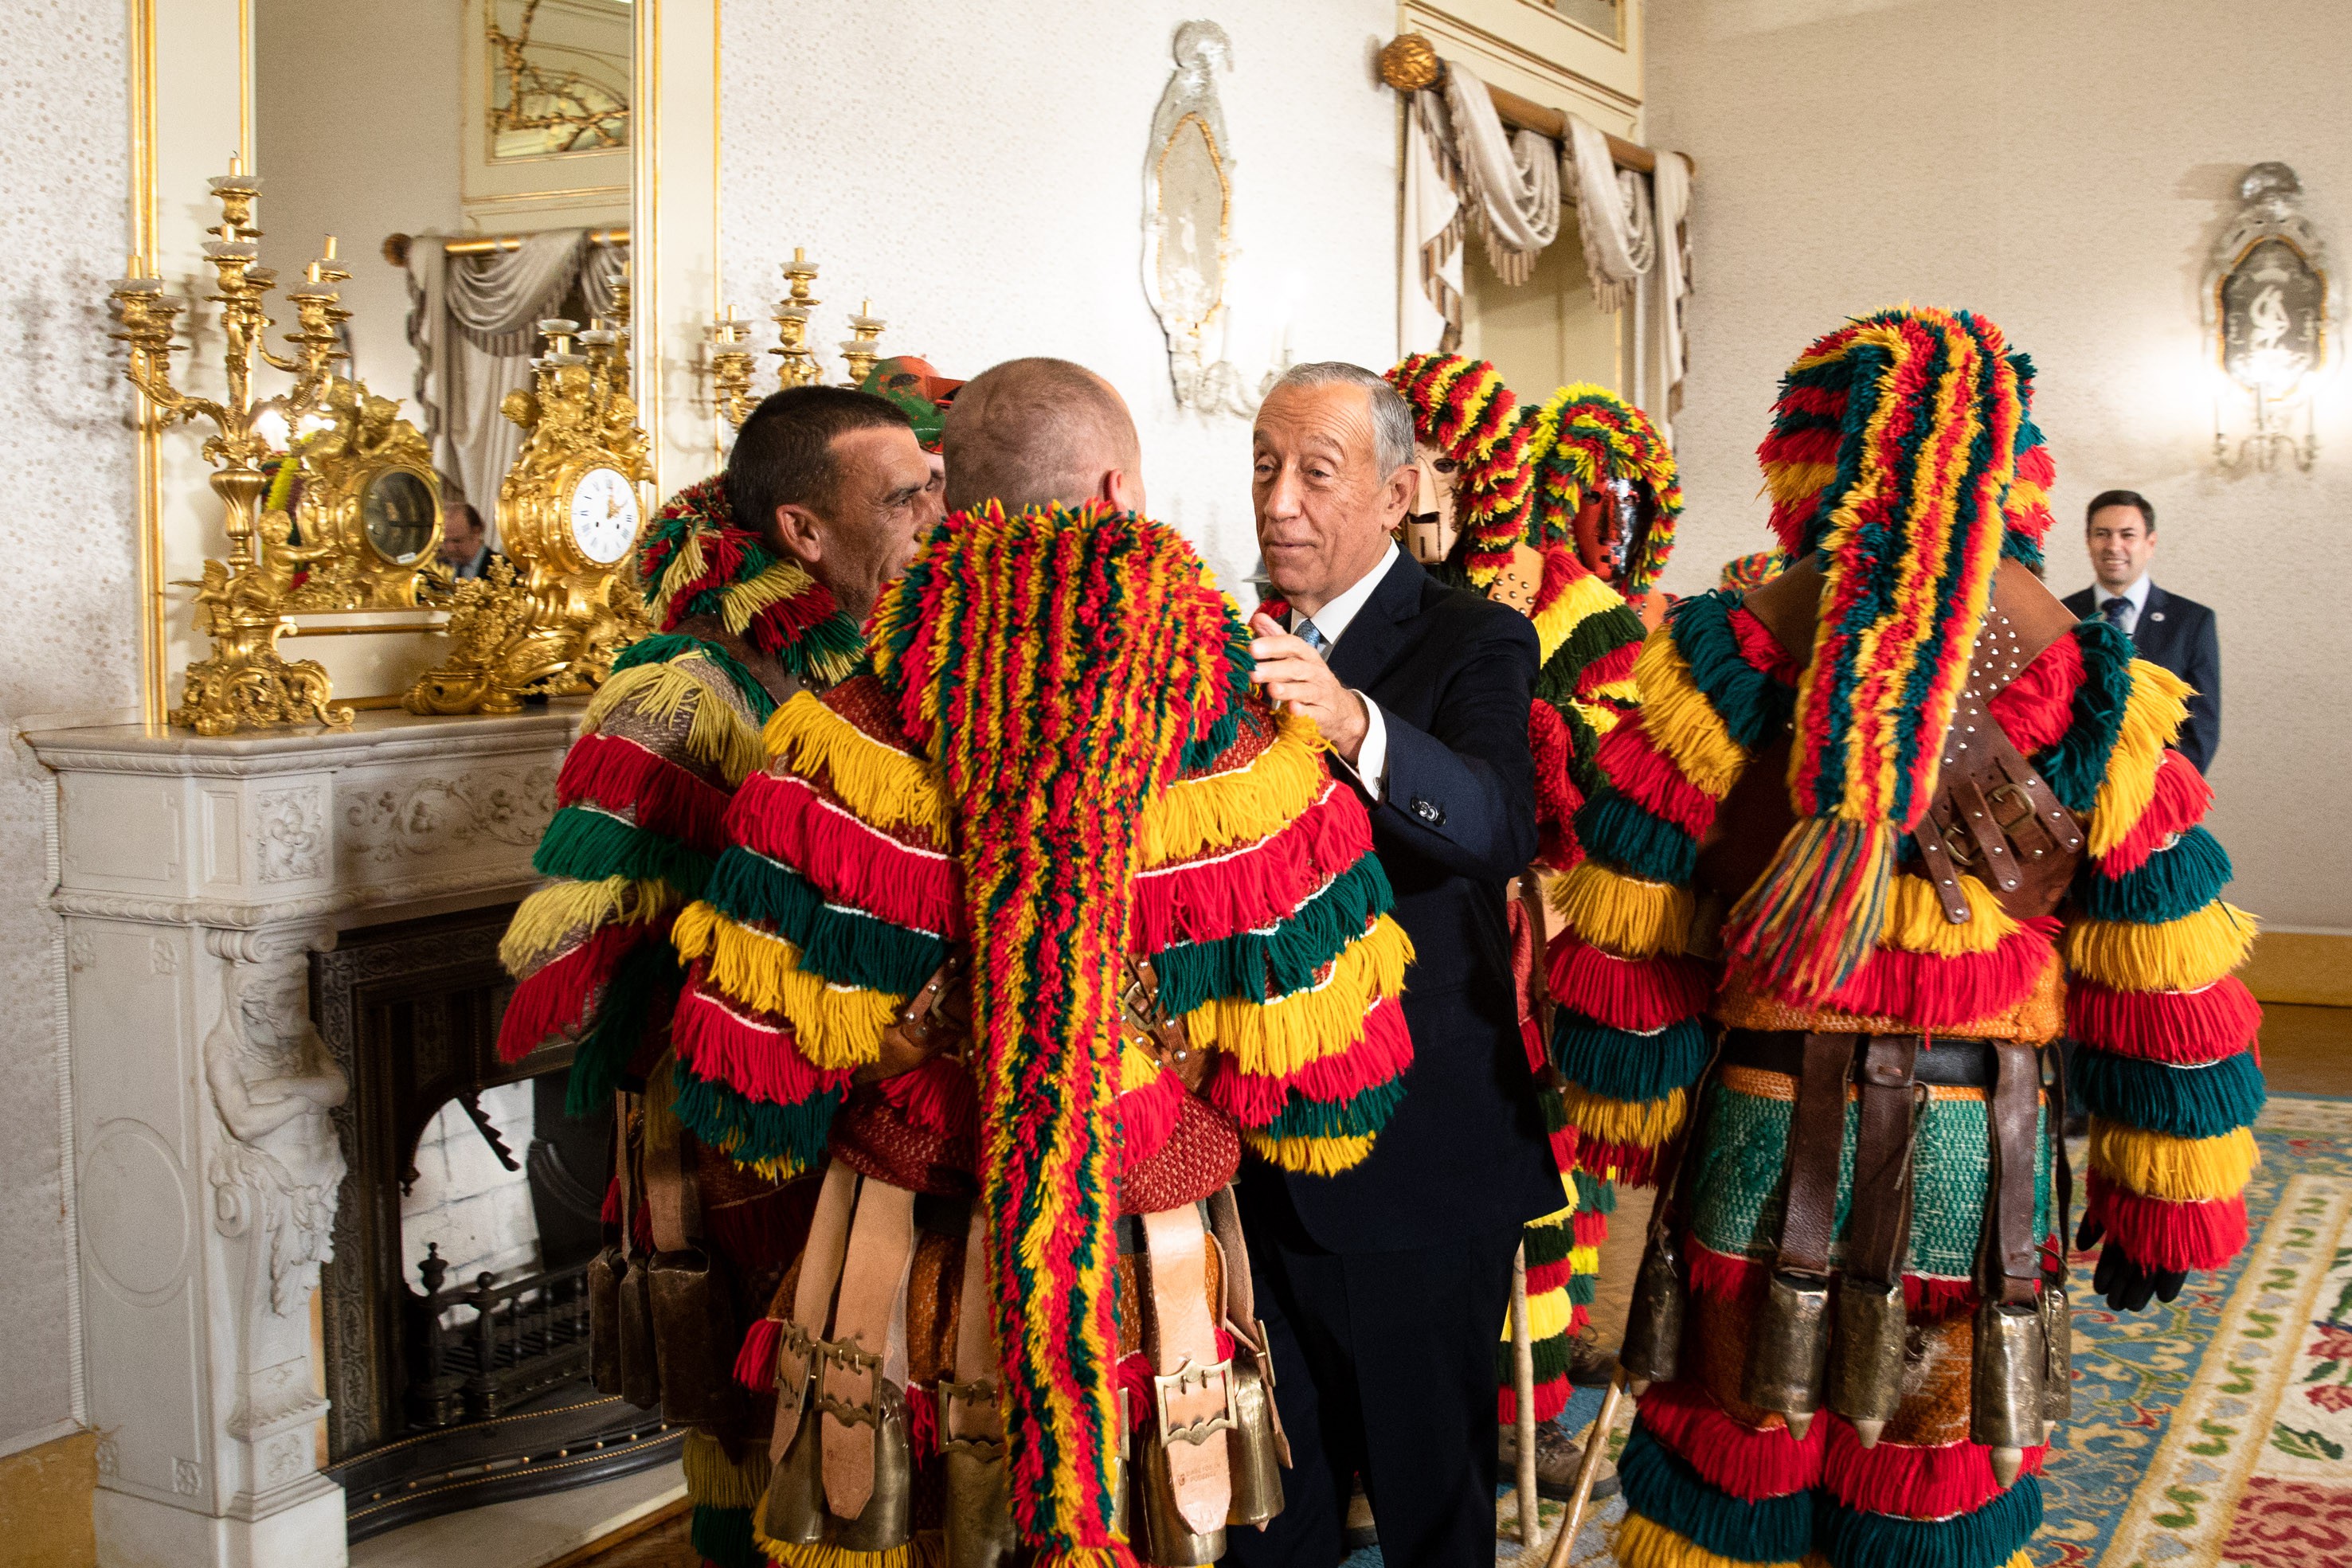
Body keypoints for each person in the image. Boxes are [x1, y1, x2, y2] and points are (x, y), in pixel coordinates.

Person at [668, 355, 1416, 1565]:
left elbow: (745, 1082)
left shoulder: (835, 733)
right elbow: (1335, 1085)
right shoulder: (1246, 743)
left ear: (952, 498)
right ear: (1121, 489)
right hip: (1141, 1253)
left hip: (906, 1252)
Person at [1558, 307, 2260, 1568]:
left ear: (1804, 463)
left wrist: (1639, 1120)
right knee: (1926, 1482)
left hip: (1755, 1136)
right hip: (1975, 1158)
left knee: (1735, 1463)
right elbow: (2162, 955)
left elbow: (1630, 920)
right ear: (2016, 469)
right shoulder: (2089, 669)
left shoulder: (1727, 643)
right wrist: (2162, 1194)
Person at [493, 382, 941, 1566]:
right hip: (741, 1130)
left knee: (866, 1434)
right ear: (802, 531)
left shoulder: (887, 661)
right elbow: (565, 950)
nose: (933, 518)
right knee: (759, 1439)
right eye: (903, 498)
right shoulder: (681, 688)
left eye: (933, 486)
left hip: (862, 1116)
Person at [1231, 360, 1560, 1568]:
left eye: (1317, 473)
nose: (1280, 503)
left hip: (1419, 1154)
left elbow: (1489, 825)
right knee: (1270, 1513)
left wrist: (1353, 723)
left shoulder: (1476, 636)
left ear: (1398, 490)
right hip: (1249, 1158)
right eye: (1265, 468)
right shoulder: (1226, 642)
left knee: (1430, 1513)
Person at [2062, 490, 2221, 772]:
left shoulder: (2192, 622)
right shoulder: (2060, 616)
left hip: (2160, 797)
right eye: (2102, 534)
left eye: (2127, 535)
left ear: (2151, 543)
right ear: (2088, 541)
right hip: (2069, 800)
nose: (2114, 546)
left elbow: (2201, 729)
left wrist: (2157, 795)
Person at [438, 500, 499, 578]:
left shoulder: (502, 570)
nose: (450, 549)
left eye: (457, 541)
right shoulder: (438, 568)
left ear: (476, 532)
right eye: (445, 541)